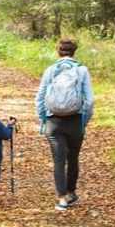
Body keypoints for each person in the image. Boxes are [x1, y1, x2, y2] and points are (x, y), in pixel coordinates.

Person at [35, 38, 95, 211]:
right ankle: (71, 193)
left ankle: (61, 198)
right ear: (74, 52)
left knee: (58, 160)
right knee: (73, 158)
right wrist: (85, 120)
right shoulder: (82, 70)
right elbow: (89, 100)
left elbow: (40, 97)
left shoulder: (50, 70)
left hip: (53, 121)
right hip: (75, 119)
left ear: (58, 51)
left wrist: (43, 118)